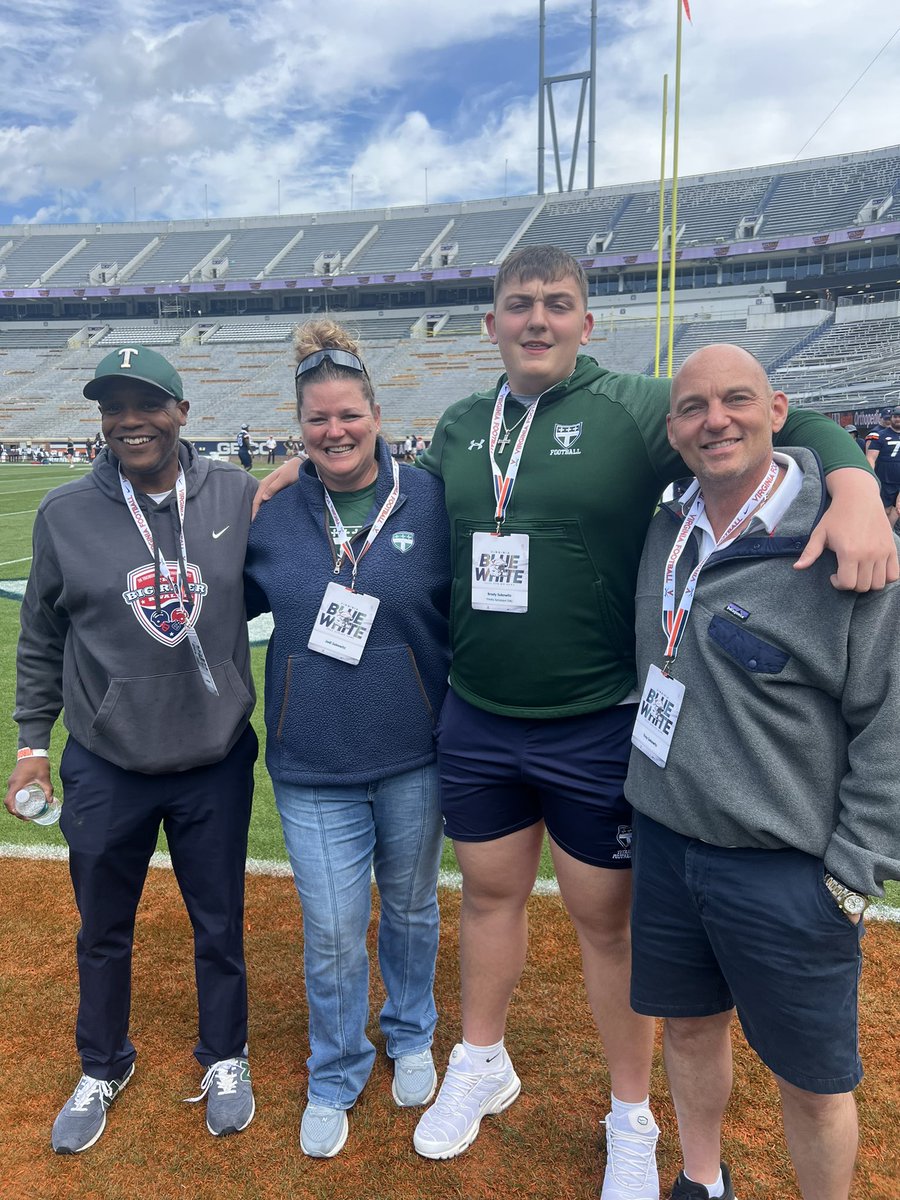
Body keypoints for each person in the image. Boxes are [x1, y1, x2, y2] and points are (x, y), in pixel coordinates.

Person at [254, 247, 896, 1196]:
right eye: (520, 305)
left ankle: (630, 1113)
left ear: (587, 324)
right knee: (486, 897)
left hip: (598, 716)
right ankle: (482, 1058)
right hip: (477, 712)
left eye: (559, 304)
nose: (539, 320)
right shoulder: (465, 427)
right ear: (494, 324)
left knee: (606, 924)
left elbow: (779, 417)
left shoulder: (641, 406)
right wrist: (291, 474)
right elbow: (373, 481)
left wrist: (850, 486)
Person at [624, 344, 900, 1200]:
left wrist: (853, 878)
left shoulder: (845, 538)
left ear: (778, 409)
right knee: (688, 1029)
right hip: (669, 844)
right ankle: (701, 1181)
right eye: (694, 408)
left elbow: (889, 724)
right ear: (672, 429)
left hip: (788, 868)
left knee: (814, 1085)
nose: (716, 421)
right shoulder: (668, 524)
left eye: (737, 400)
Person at [6, 345, 259, 1154]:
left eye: (145, 404)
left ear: (182, 411)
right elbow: (41, 637)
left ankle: (225, 1055)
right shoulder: (63, 514)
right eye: (113, 408)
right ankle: (103, 1062)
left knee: (218, 923)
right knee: (102, 927)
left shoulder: (239, 494)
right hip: (106, 761)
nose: (129, 421)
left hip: (214, 759)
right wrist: (30, 746)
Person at [244, 320, 450, 1159]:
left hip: (414, 752)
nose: (335, 432)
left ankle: (409, 1030)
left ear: (377, 415)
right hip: (311, 761)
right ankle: (336, 1069)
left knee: (409, 907)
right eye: (318, 420)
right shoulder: (269, 510)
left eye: (349, 416)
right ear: (300, 427)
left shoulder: (434, 498)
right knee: (331, 926)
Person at [865, 404, 900, 528]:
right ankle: (881, 532)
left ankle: (889, 534)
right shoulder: (879, 435)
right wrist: (871, 476)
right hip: (885, 478)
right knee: (885, 509)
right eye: (895, 416)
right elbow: (870, 457)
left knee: (897, 510)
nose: (898, 419)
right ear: (891, 418)